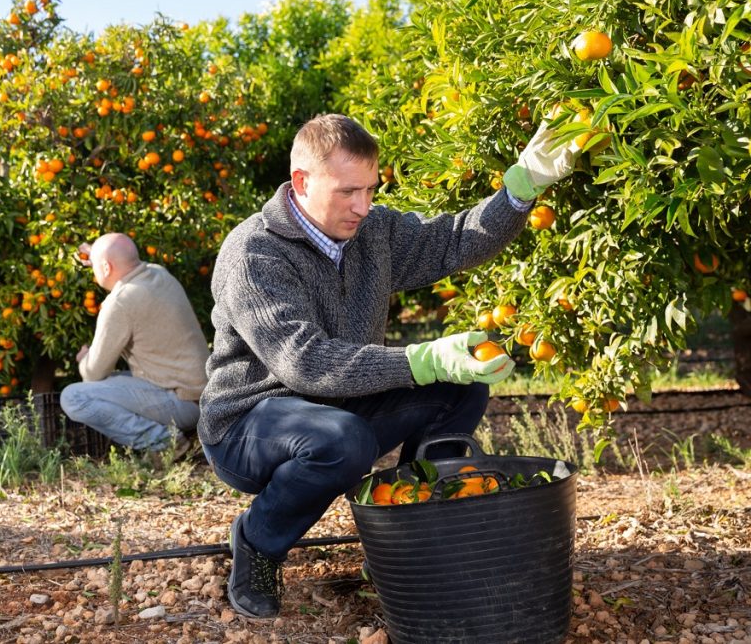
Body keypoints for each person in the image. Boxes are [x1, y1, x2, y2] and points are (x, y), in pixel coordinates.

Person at [199, 113, 578, 618]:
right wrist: (422, 359)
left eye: (371, 190)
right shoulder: (254, 254)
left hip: (340, 405)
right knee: (343, 439)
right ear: (301, 182)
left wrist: (520, 186)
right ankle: (257, 544)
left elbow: (453, 240)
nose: (363, 206)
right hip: (250, 423)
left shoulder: (373, 231)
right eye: (348, 192)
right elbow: (305, 362)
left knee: (458, 390)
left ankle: (408, 534)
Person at [60, 232, 210, 456]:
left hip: (181, 402)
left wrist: (84, 360)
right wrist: (100, 255)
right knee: (114, 380)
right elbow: (118, 260)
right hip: (203, 395)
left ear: (107, 267)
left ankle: (165, 443)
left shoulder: (120, 302)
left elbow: (93, 373)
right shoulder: (159, 273)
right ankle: (179, 436)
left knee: (74, 397)